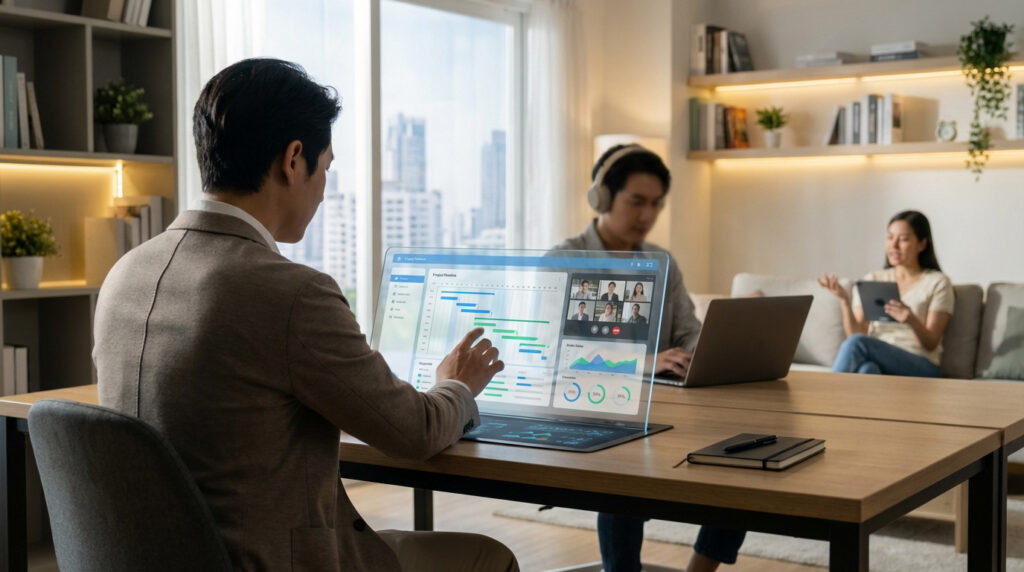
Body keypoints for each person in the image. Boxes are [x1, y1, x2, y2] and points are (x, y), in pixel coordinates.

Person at [92, 59, 519, 572]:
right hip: (268, 559)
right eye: (327, 168)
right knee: (487, 558)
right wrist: (458, 385)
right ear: (294, 159)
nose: (323, 188)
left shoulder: (125, 273)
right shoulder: (290, 292)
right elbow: (414, 432)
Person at [554, 144, 745, 572]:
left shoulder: (661, 262)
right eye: (636, 202)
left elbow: (688, 330)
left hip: (667, 400)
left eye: (656, 204)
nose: (647, 215)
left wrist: (706, 353)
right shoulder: (564, 260)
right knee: (626, 464)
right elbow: (556, 350)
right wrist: (641, 362)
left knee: (741, 457)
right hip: (590, 404)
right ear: (601, 198)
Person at [818, 210, 953, 377]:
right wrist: (844, 300)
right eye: (890, 237)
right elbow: (856, 335)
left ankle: (826, 398)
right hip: (878, 356)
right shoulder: (874, 279)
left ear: (922, 244)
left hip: (921, 364)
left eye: (903, 239)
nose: (894, 245)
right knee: (867, 370)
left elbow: (931, 343)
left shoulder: (938, 282)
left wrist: (911, 319)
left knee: (858, 344)